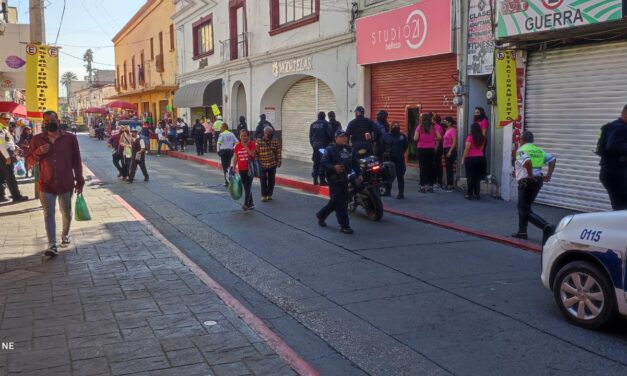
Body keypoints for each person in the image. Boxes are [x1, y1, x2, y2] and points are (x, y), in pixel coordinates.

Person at [26, 110, 84, 257]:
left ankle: (65, 234)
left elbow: (76, 160)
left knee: (66, 213)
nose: (48, 124)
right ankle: (52, 244)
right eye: (45, 122)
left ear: (58, 121)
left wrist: (79, 179)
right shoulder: (37, 140)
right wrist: (38, 152)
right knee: (48, 214)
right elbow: (28, 162)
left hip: (66, 182)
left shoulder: (70, 138)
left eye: (51, 120)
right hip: (46, 184)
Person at [512, 131, 556, 242]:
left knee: (523, 208)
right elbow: (552, 159)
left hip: (526, 181)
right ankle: (522, 232)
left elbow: (527, 162)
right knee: (525, 206)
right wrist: (548, 175)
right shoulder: (539, 150)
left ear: (522, 140)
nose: (519, 141)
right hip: (538, 181)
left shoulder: (521, 150)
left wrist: (530, 175)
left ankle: (547, 227)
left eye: (520, 139)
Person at [316, 130, 361, 234]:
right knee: (341, 202)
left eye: (345, 136)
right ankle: (345, 225)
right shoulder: (330, 149)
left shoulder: (349, 149)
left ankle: (321, 215)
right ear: (336, 138)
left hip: (346, 179)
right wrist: (334, 167)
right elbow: (323, 162)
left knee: (336, 201)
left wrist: (359, 174)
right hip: (334, 179)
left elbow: (355, 162)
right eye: (341, 137)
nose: (344, 138)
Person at [599, 105, 627, 210]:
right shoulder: (620, 127)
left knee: (620, 205)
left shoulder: (613, 126)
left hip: (612, 172)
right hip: (615, 173)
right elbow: (613, 146)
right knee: (622, 207)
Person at [0, 113, 28, 202]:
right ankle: (16, 196)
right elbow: (1, 145)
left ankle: (1, 195)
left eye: (8, 119)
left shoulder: (4, 128)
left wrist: (15, 146)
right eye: (5, 119)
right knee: (10, 176)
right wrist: (7, 157)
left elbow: (7, 142)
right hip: (4, 155)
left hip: (6, 154)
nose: (7, 121)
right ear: (0, 119)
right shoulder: (1, 129)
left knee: (2, 176)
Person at [414, 112, 441, 193]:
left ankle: (422, 186)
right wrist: (432, 139)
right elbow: (439, 137)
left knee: (422, 167)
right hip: (430, 149)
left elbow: (415, 138)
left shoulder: (419, 127)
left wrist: (421, 139)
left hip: (421, 149)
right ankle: (430, 186)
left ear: (422, 119)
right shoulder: (433, 127)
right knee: (430, 167)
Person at [381, 121, 408, 199]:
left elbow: (405, 146)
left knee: (400, 175)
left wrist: (400, 152)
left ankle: (401, 193)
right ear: (391, 126)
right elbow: (382, 146)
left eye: (397, 125)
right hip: (389, 158)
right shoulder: (385, 136)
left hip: (399, 158)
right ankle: (388, 191)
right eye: (394, 125)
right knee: (388, 175)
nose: (396, 127)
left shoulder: (402, 136)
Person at [232, 130, 256, 210]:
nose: (243, 137)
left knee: (248, 186)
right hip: (241, 169)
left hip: (250, 169)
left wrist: (245, 146)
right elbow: (235, 158)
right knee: (246, 187)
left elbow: (252, 154)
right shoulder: (237, 146)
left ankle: (246, 204)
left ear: (248, 136)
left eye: (245, 135)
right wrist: (234, 167)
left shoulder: (252, 144)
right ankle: (251, 203)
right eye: (241, 136)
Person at [256, 126, 282, 202]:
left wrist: (279, 161)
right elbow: (256, 153)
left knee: (271, 180)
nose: (270, 134)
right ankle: (264, 195)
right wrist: (257, 162)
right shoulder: (259, 141)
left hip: (272, 164)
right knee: (263, 180)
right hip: (262, 164)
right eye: (268, 133)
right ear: (264, 133)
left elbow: (278, 152)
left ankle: (269, 195)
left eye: (271, 133)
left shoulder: (275, 141)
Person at [461, 123, 486, 200]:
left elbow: (467, 148)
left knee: (470, 177)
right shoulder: (482, 137)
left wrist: (463, 158)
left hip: (470, 158)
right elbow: (482, 148)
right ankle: (477, 194)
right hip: (480, 158)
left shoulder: (470, 137)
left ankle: (469, 194)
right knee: (477, 177)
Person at [309, 111, 333, 186]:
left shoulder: (313, 124)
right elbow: (330, 134)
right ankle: (322, 180)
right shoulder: (326, 124)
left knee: (316, 162)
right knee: (323, 161)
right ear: (324, 116)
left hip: (315, 145)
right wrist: (330, 144)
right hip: (323, 145)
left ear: (318, 116)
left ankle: (315, 179)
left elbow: (310, 136)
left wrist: (313, 145)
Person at [442, 117, 458, 192]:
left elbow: (454, 142)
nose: (444, 122)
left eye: (446, 121)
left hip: (449, 149)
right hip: (446, 149)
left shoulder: (453, 130)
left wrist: (450, 151)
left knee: (449, 168)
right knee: (448, 167)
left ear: (450, 123)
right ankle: (449, 184)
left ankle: (450, 185)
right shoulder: (447, 130)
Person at [433, 114, 445, 188]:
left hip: (437, 148)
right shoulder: (437, 127)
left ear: (434, 120)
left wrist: (436, 149)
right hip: (437, 148)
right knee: (436, 165)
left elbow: (438, 139)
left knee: (437, 165)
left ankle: (439, 182)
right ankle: (436, 181)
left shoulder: (437, 127)